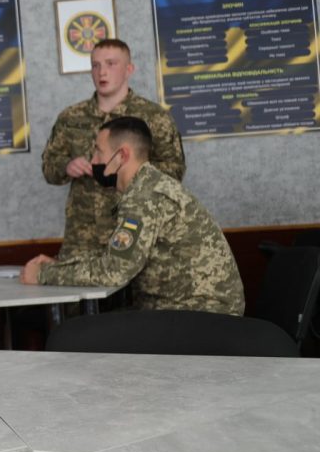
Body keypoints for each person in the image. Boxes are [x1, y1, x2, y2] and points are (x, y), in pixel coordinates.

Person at [21, 116, 243, 316]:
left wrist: (42, 274)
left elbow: (114, 271)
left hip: (199, 315)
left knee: (84, 334)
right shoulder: (147, 185)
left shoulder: (144, 197)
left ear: (122, 156)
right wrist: (61, 265)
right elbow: (117, 256)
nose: (93, 161)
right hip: (186, 309)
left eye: (99, 151)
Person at [42, 38, 185, 258]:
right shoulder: (70, 117)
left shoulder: (154, 117)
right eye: (96, 65)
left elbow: (174, 170)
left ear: (129, 69)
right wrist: (66, 166)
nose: (102, 72)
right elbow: (49, 168)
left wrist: (130, 171)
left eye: (111, 64)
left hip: (136, 229)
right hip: (83, 238)